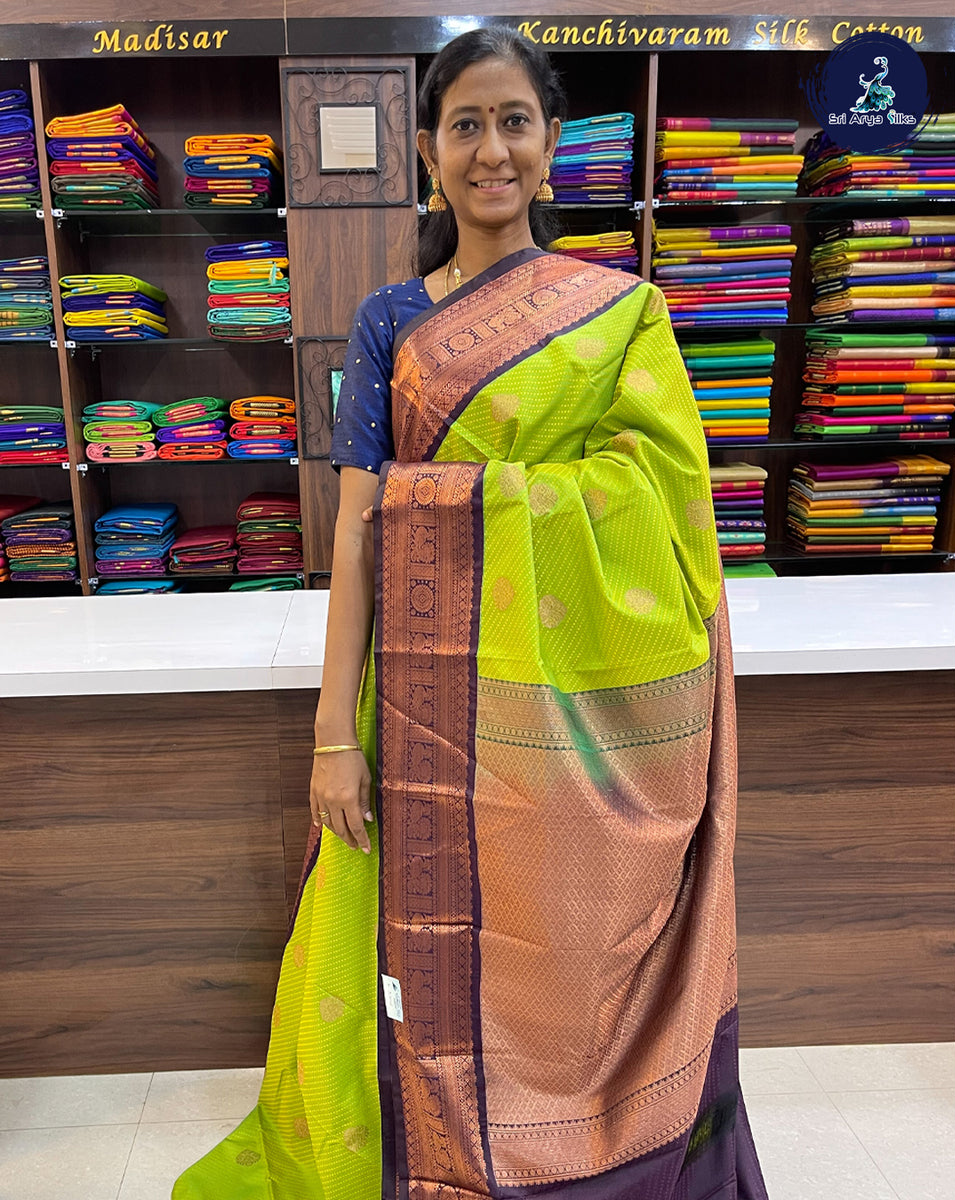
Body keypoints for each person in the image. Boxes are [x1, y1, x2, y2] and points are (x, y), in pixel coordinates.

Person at [174, 25, 768, 1200]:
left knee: (568, 958)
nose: (490, 150)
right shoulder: (391, 322)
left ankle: (587, 1157)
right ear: (430, 153)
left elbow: (662, 505)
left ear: (551, 144)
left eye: (513, 122)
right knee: (419, 962)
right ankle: (438, 1164)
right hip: (427, 719)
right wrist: (330, 737)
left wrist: (449, 504)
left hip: (580, 732)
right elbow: (356, 534)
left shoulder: (622, 315)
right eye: (465, 126)